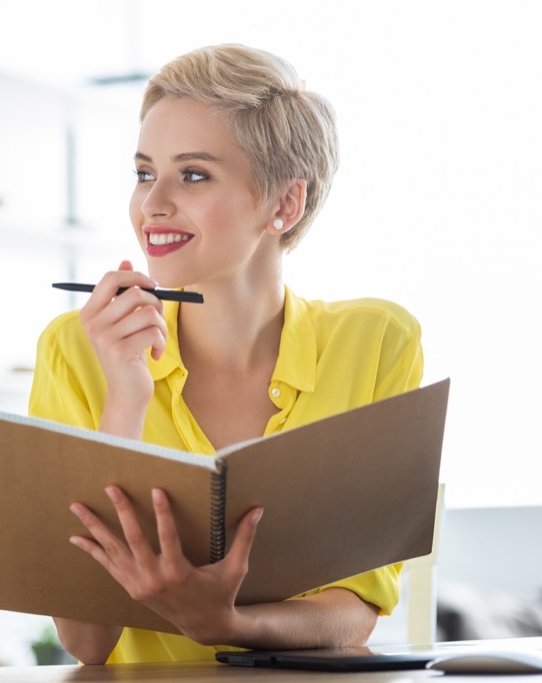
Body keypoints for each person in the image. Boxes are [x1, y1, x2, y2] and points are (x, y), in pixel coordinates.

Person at [27, 44, 423, 665]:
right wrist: (125, 402)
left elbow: (354, 614)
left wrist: (228, 622)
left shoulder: (376, 342)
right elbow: (86, 642)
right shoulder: (76, 349)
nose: (151, 204)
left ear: (284, 204)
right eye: (142, 172)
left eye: (192, 174)